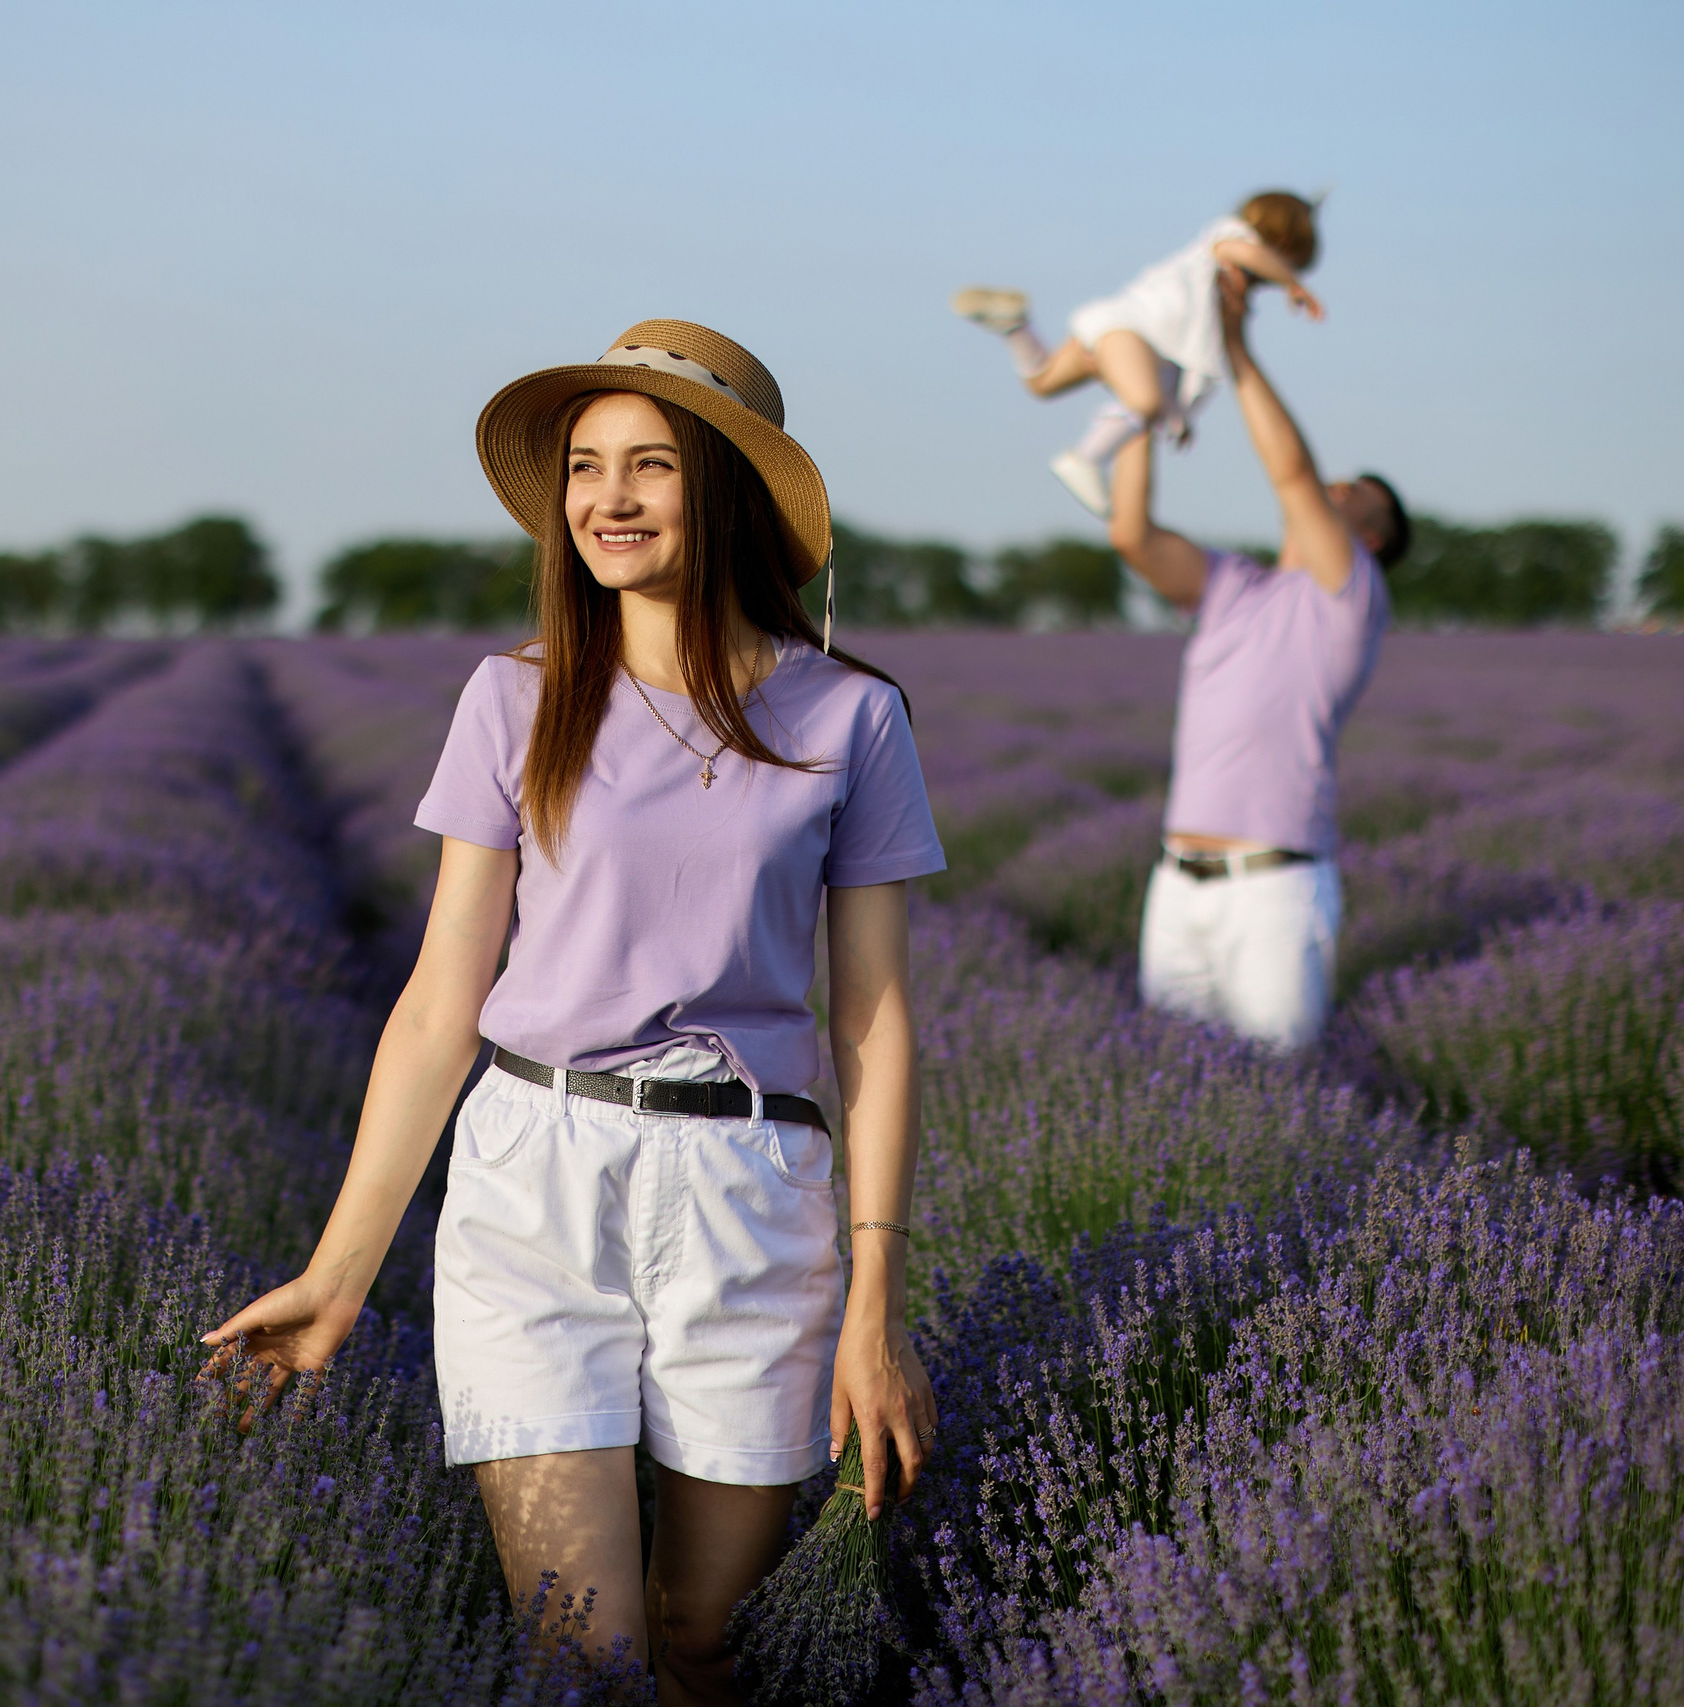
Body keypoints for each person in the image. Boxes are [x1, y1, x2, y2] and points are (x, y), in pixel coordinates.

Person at [202, 320, 945, 1703]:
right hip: (533, 1175)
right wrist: (339, 1274)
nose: (609, 497)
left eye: (650, 464)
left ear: (724, 490)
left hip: (749, 1184)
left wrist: (876, 1304)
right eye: (587, 467)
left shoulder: (850, 717)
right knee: (581, 1652)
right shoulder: (515, 697)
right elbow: (440, 1002)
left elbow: (876, 1023)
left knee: (709, 1637)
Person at [1108, 266, 1407, 1052]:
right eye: (1338, 481)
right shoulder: (1233, 583)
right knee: (1170, 1080)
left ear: (1369, 539)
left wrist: (1235, 348)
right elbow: (1132, 535)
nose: (1334, 487)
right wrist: (1142, 410)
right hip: (1177, 883)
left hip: (1276, 890)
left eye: (1354, 493)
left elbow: (1291, 474)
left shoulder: (1351, 598)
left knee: (1280, 1085)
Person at [952, 190, 1326, 516]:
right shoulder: (1230, 238)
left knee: (1042, 382)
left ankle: (1015, 326)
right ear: (1279, 244)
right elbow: (1244, 252)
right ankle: (1085, 459)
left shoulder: (1215, 300)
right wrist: (1293, 283)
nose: (1262, 286)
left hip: (1125, 330)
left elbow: (1190, 361)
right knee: (1144, 401)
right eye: (1268, 276)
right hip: (1131, 330)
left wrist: (1180, 413)